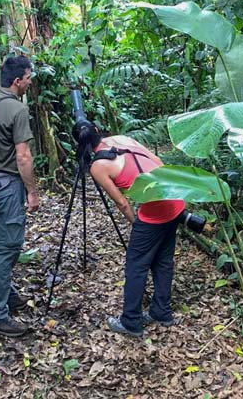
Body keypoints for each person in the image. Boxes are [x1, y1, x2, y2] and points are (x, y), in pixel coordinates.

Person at [74, 122, 185, 338]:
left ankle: (131, 321)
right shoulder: (122, 139)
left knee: (136, 265)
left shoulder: (98, 166)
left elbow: (122, 203)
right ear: (98, 131)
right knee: (163, 260)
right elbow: (159, 163)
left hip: (155, 212)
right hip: (175, 200)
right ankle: (161, 311)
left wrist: (137, 223)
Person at [0, 56, 40, 338]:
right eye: (28, 77)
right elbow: (23, 156)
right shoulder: (17, 109)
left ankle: (6, 295)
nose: (29, 81)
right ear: (17, 81)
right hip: (6, 186)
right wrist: (32, 192)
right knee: (7, 247)